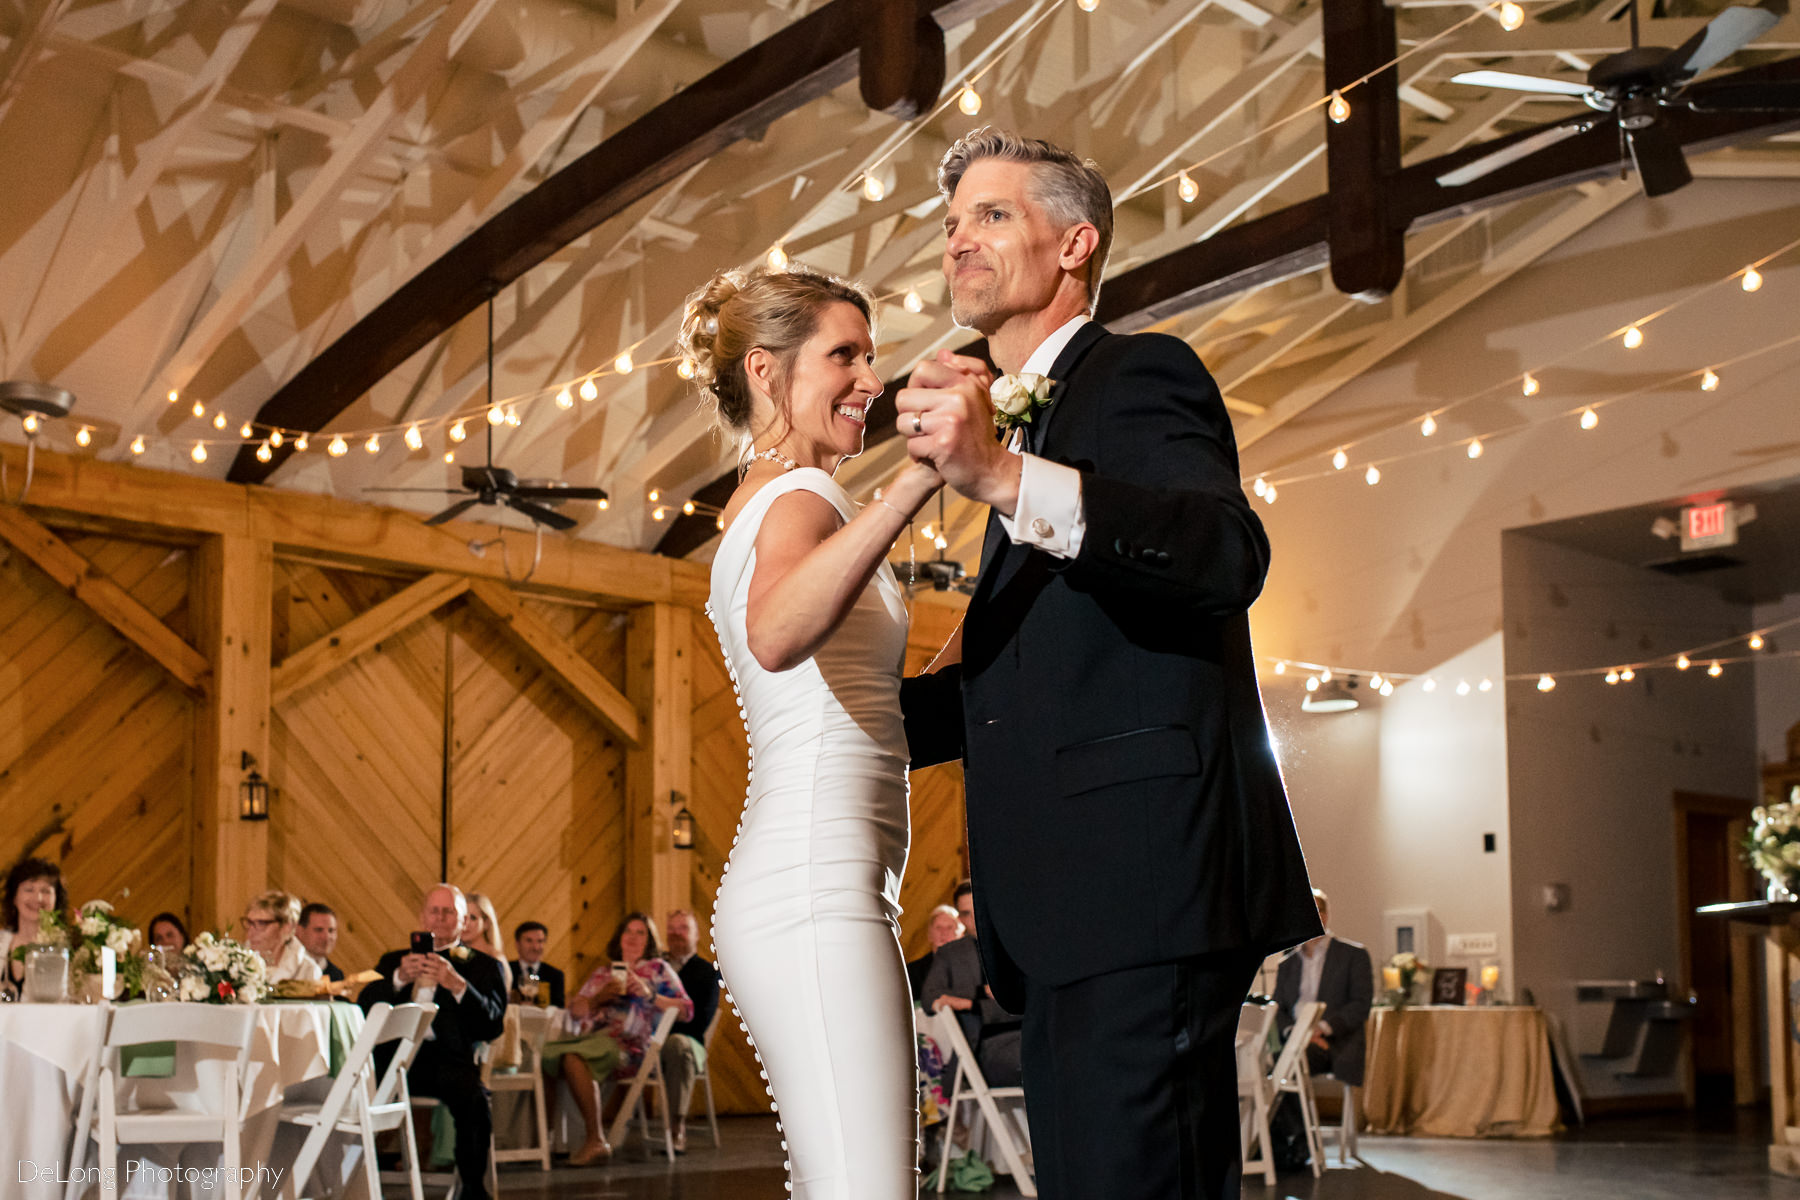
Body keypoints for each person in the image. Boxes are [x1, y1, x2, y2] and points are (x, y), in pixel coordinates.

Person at [897, 129, 1321, 1200]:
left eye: (992, 215)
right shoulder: (1023, 423)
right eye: (953, 225)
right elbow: (1013, 687)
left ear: (1076, 243)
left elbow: (1226, 554)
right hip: (1065, 909)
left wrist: (998, 474)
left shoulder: (1140, 373)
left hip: (1144, 882)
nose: (960, 241)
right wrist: (834, 715)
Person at [689, 260, 942, 1199]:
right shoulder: (803, 498)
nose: (872, 381)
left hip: (822, 876)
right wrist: (914, 482)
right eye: (846, 355)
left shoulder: (779, 499)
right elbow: (777, 630)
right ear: (766, 370)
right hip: (811, 880)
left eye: (870, 357)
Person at [359, 884, 508, 1200]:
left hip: (447, 1060)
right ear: (422, 917)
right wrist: (398, 979)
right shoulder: (393, 960)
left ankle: (471, 1187)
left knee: (474, 1099)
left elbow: (492, 1025)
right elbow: (363, 1007)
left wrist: (457, 985)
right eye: (434, 911)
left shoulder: (482, 966)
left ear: (463, 920)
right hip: (392, 1060)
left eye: (449, 912)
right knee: (353, 1087)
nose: (440, 918)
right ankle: (353, 1179)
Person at [542, 913, 692, 1166]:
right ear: (619, 938)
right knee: (546, 1053)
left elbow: (686, 1010)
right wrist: (598, 998)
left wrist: (649, 994)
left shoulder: (657, 969)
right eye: (628, 932)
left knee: (572, 1057)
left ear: (649, 940)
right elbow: (577, 1011)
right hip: (594, 1041)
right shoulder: (603, 973)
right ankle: (546, 1138)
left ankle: (595, 1139)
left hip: (631, 1046)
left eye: (640, 933)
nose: (633, 937)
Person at [1273, 889, 1373, 1089]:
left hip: (1333, 1043)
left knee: (1293, 1063)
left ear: (1325, 915)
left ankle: (1288, 1121)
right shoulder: (1287, 964)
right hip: (1294, 1039)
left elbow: (1360, 1004)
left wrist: (1320, 1031)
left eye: (1316, 910)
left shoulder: (1352, 955)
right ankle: (1287, 1121)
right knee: (1265, 1062)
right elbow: (1278, 1008)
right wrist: (1298, 1033)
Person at [921, 902, 1021, 1087]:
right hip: (990, 1046)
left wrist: (971, 1004)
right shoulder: (951, 954)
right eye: (968, 914)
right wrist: (979, 992)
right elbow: (930, 996)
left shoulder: (1010, 947)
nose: (975, 920)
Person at [660, 908, 721, 1153]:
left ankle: (677, 1126)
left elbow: (699, 1022)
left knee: (677, 1044)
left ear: (696, 936)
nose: (676, 934)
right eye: (672, 929)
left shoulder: (707, 973)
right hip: (649, 1042)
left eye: (683, 928)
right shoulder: (656, 968)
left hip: (688, 1043)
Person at [1, 856, 67, 993]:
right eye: (29, 889)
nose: (38, 898)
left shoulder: (66, 948)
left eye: (46, 891)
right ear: (14, 897)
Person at [243, 890, 321, 985]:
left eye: (261, 923)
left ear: (287, 927)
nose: (251, 932)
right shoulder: (234, 964)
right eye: (250, 923)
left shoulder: (307, 970)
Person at [908, 904, 964, 1002]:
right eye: (938, 927)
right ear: (929, 934)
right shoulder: (913, 972)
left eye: (949, 927)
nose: (943, 933)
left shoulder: (977, 966)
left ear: (961, 934)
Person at [461, 892, 512, 994]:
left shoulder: (495, 959)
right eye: (463, 917)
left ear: (486, 923)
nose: (466, 923)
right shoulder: (457, 954)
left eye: (473, 918)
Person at [509, 921, 565, 1008]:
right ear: (517, 944)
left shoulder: (555, 975)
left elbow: (558, 1009)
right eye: (529, 941)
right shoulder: (506, 970)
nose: (535, 947)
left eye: (540, 941)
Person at [296, 902, 343, 982]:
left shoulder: (336, 975)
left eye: (331, 931)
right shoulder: (284, 967)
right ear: (299, 931)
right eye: (319, 930)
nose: (326, 937)